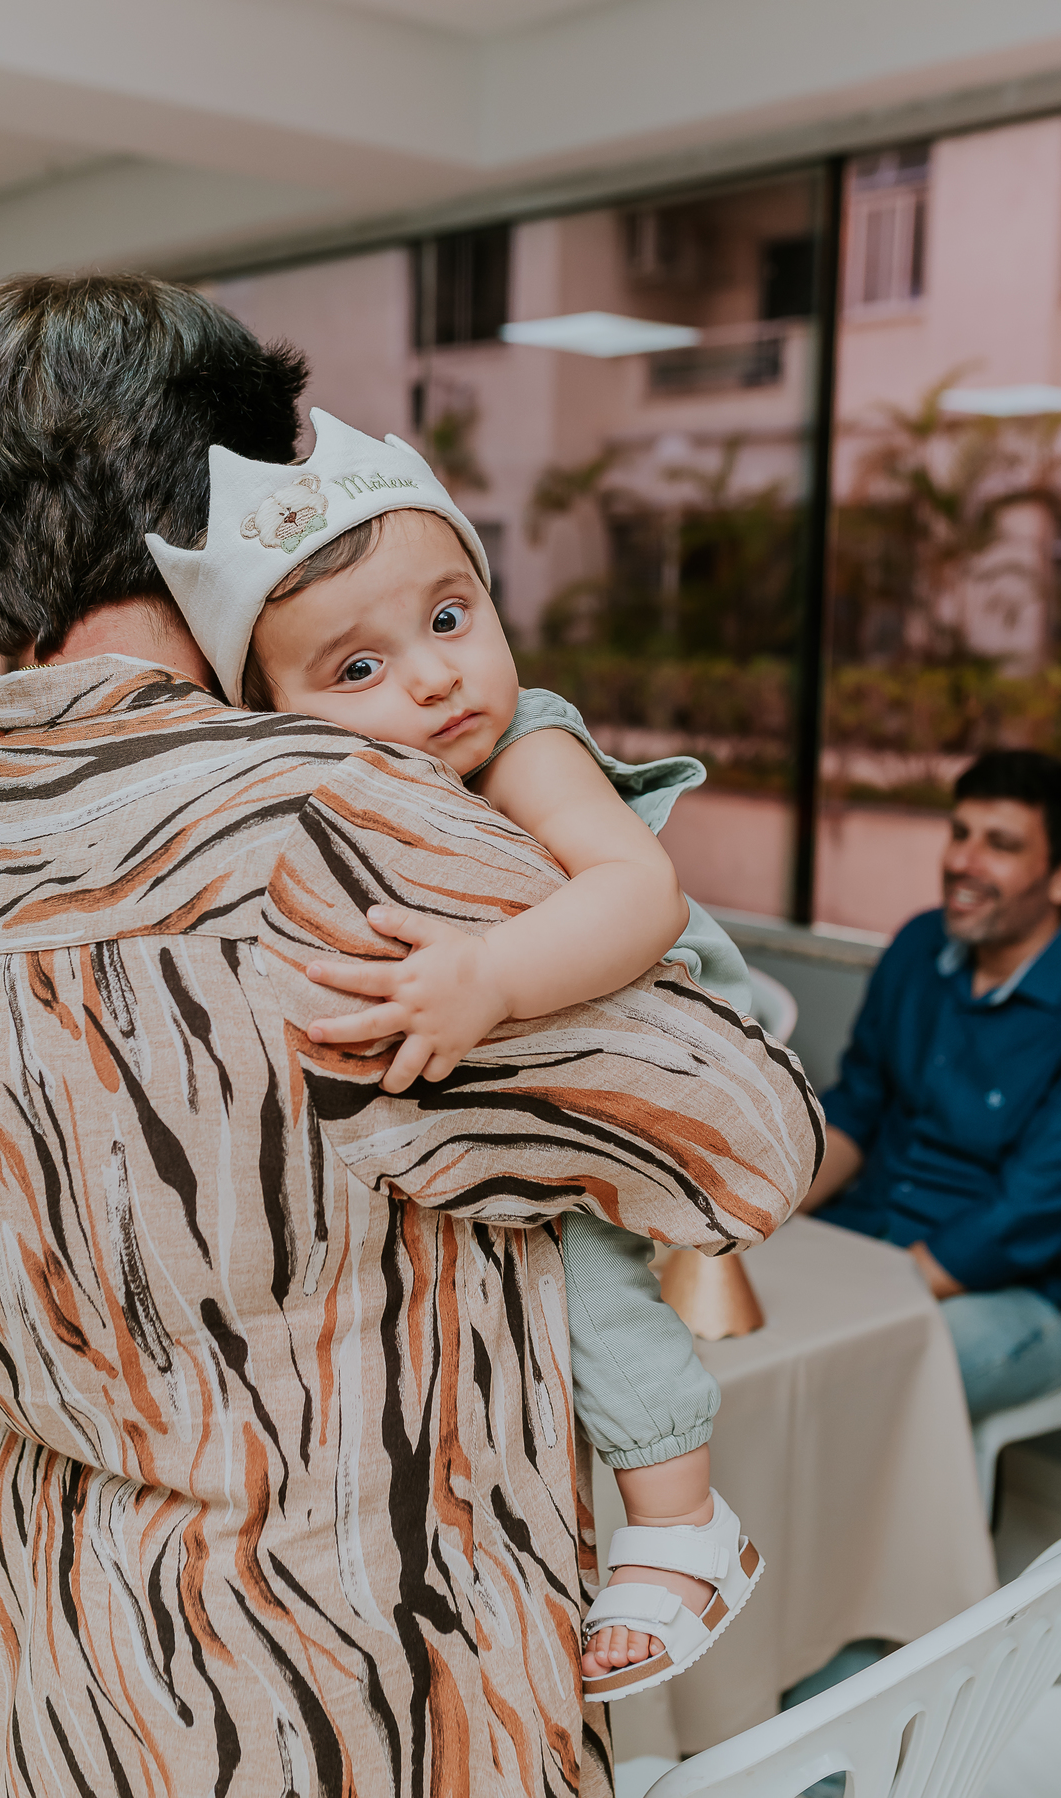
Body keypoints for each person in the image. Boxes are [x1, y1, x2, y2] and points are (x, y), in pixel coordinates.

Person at [0, 273, 824, 1798]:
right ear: (233, 506)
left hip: (43, 1665)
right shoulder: (318, 819)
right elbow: (752, 1133)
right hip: (349, 1685)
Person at [147, 409, 768, 1702]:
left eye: (448, 618)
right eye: (357, 668)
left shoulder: (524, 741)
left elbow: (639, 891)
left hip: (662, 1014)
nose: (433, 679)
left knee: (591, 1278)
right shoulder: (329, 797)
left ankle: (683, 1517)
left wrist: (485, 977)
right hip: (537, 1045)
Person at [803, 749, 1061, 1421]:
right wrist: (767, 1216)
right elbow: (859, 1105)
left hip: (1014, 1291)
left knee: (856, 1377)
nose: (962, 862)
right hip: (875, 1234)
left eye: (1000, 845)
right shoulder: (919, 945)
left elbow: (1026, 1213)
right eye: (959, 833)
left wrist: (876, 1292)